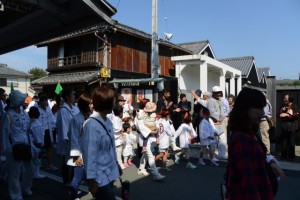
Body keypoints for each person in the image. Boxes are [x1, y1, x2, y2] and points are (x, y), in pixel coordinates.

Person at [226, 87, 285, 199]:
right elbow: (247, 181)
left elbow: (257, 156)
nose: (262, 112)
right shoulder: (241, 138)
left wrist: (271, 162)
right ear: (246, 108)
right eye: (258, 107)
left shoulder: (250, 133)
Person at [81, 86, 121, 199]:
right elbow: (90, 155)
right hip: (99, 175)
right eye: (113, 101)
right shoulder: (91, 125)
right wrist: (91, 181)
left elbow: (111, 147)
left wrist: (116, 164)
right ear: (106, 104)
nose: (114, 103)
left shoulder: (107, 120)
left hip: (110, 170)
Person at [2, 90, 34, 199]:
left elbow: (28, 129)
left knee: (30, 169)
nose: (24, 100)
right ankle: (15, 195)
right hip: (13, 147)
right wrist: (6, 150)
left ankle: (25, 188)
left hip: (26, 145)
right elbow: (4, 133)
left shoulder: (24, 113)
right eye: (21, 99)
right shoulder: (8, 115)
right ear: (16, 101)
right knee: (15, 173)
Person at [66, 93, 92, 200]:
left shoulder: (91, 117)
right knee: (76, 178)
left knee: (90, 177)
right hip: (80, 154)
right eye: (90, 103)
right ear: (85, 105)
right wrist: (77, 157)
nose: (92, 105)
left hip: (89, 152)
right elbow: (73, 140)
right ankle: (73, 196)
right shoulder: (76, 119)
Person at [56, 88, 79, 185]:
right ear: (67, 97)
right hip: (67, 140)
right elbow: (63, 129)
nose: (74, 97)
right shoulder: (63, 111)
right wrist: (67, 141)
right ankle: (66, 181)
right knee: (67, 161)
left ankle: (73, 179)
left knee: (73, 161)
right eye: (72, 95)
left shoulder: (73, 108)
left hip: (74, 138)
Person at [36, 94, 57, 171]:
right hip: (40, 131)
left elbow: (52, 118)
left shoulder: (48, 109)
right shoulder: (37, 109)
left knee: (49, 148)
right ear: (40, 102)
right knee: (38, 148)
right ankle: (37, 165)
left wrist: (56, 125)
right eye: (43, 101)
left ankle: (50, 164)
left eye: (45, 101)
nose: (44, 102)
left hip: (48, 130)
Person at [207, 86, 227, 160]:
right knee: (214, 141)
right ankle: (212, 156)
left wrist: (221, 117)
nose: (218, 94)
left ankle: (222, 154)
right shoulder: (210, 101)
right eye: (217, 93)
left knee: (223, 140)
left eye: (219, 92)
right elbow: (212, 113)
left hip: (219, 123)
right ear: (213, 93)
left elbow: (222, 111)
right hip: (214, 123)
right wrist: (220, 117)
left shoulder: (219, 100)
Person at [278, 93, 299, 161]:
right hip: (284, 126)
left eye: (285, 98)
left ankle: (291, 157)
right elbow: (279, 115)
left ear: (290, 99)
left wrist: (287, 115)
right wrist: (281, 111)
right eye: (284, 98)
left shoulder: (294, 106)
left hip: (292, 125)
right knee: (284, 141)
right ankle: (283, 156)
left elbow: (296, 115)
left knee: (291, 141)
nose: (284, 99)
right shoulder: (283, 106)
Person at [28, 106, 45, 179]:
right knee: (37, 159)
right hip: (36, 144)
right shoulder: (37, 124)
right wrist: (40, 143)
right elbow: (39, 136)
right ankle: (36, 173)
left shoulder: (28, 121)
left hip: (29, 143)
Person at [112, 105, 126, 169]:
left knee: (119, 151)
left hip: (119, 137)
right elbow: (115, 128)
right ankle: (120, 163)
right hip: (116, 138)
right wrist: (121, 129)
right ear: (120, 112)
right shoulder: (115, 119)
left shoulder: (118, 119)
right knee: (118, 151)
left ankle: (119, 163)